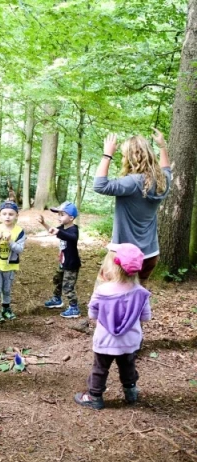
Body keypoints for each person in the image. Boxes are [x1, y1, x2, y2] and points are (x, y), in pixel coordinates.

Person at [74, 243, 151, 410]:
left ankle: (95, 397)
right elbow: (146, 317)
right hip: (130, 341)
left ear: (113, 267)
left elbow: (92, 314)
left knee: (100, 368)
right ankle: (131, 393)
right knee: (128, 366)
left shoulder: (102, 291)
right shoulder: (141, 293)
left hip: (105, 340)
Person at [94, 128, 171, 285]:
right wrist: (163, 147)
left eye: (124, 156)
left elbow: (99, 185)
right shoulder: (162, 181)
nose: (123, 159)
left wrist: (107, 155)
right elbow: (166, 169)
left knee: (105, 293)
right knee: (136, 294)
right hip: (150, 254)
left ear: (131, 158)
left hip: (124, 255)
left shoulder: (131, 183)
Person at [37, 201, 82, 318]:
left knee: (68, 286)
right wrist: (44, 223)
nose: (59, 217)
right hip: (63, 262)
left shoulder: (74, 229)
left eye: (62, 215)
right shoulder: (62, 228)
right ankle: (57, 299)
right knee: (58, 280)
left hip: (71, 264)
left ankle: (74, 308)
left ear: (71, 218)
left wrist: (59, 232)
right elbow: (52, 230)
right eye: (59, 214)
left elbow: (72, 237)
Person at [0, 201, 26, 323]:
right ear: (0, 215)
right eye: (4, 214)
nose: (7, 217)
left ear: (16, 215)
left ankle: (6, 309)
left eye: (11, 214)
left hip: (10, 265)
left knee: (7, 290)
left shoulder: (19, 231)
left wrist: (10, 242)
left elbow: (20, 249)